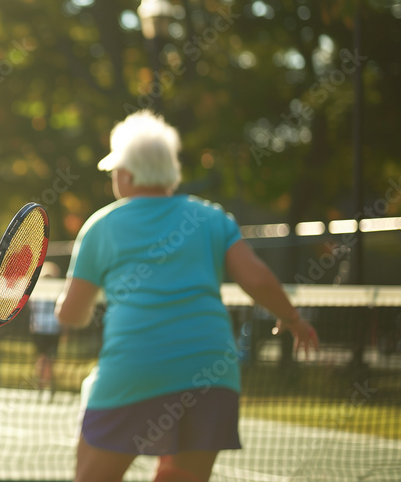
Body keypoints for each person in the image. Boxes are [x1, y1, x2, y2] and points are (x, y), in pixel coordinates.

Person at [54, 110, 318, 482]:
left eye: (115, 171)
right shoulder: (211, 217)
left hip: (133, 373)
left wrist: (73, 310)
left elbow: (70, 315)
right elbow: (256, 278)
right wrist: (292, 318)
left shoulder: (101, 225)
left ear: (127, 175)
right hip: (211, 375)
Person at [28, 261, 64, 397]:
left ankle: (46, 386)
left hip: (52, 330)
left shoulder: (57, 292)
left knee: (47, 359)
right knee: (44, 359)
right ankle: (42, 385)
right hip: (41, 330)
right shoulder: (36, 293)